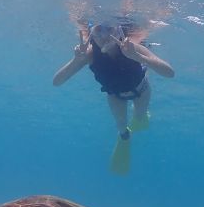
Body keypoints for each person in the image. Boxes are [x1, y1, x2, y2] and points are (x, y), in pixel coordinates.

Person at [53, 21, 174, 174]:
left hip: (141, 90)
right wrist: (76, 61)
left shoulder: (132, 48)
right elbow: (56, 82)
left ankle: (141, 118)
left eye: (109, 28)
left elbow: (170, 73)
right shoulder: (88, 55)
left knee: (139, 118)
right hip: (115, 96)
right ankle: (124, 138)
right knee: (121, 126)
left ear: (118, 31)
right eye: (98, 30)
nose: (104, 35)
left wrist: (137, 56)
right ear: (91, 35)